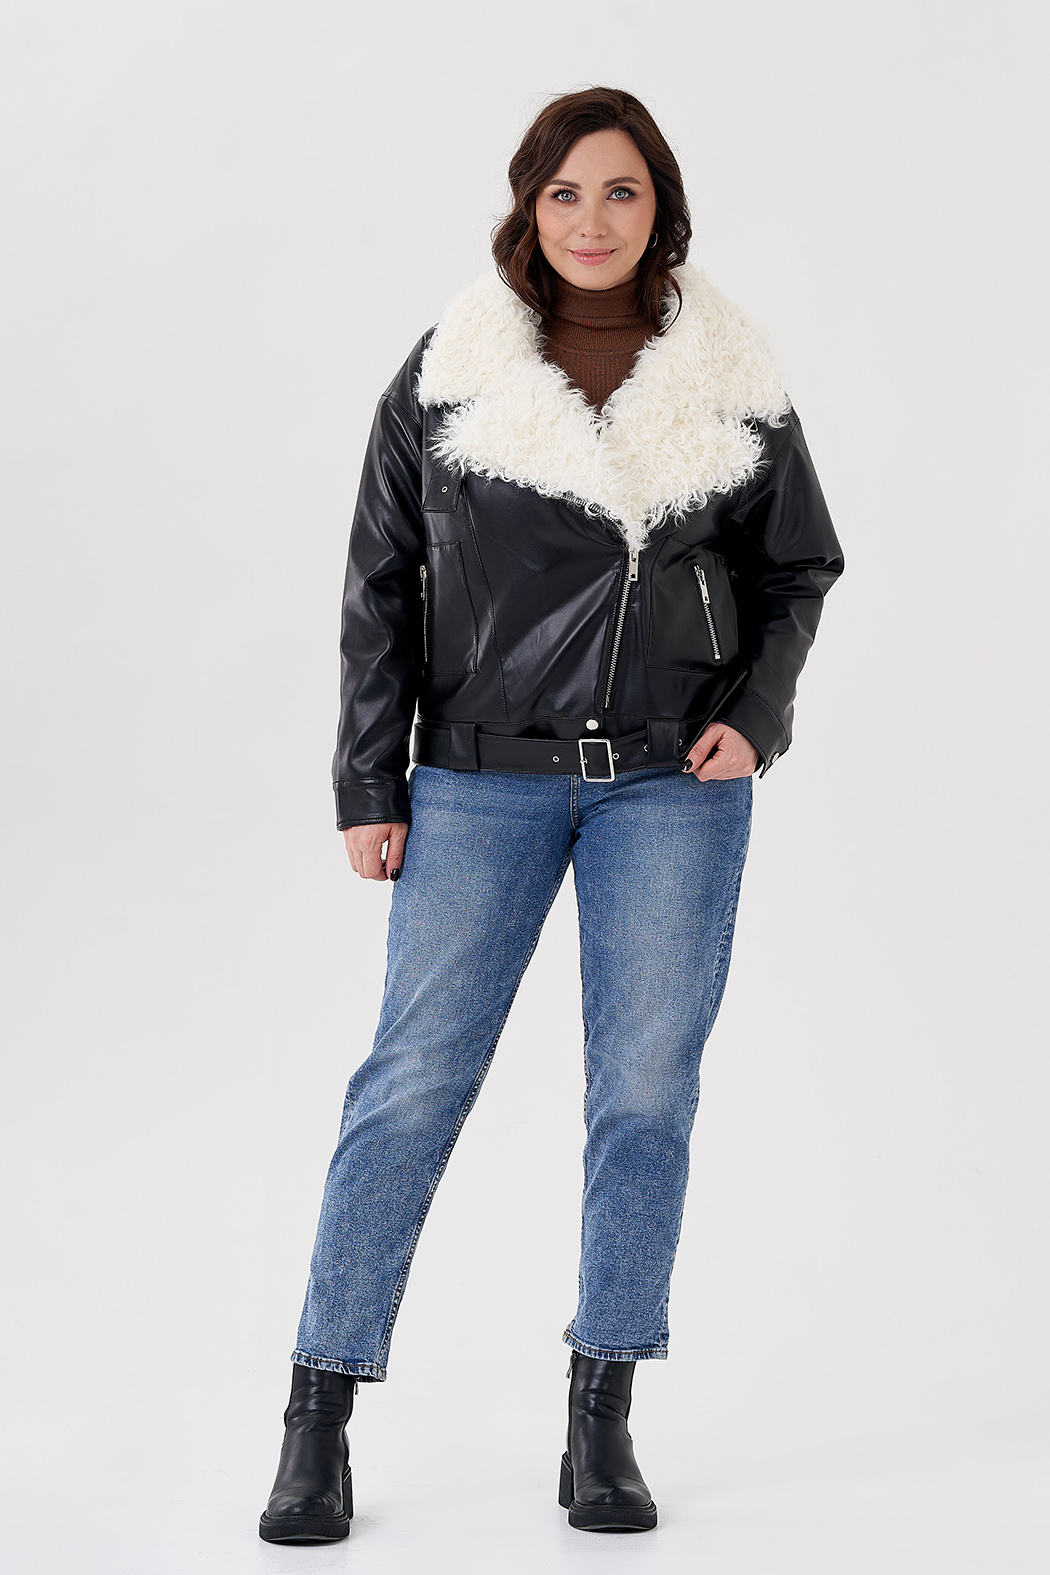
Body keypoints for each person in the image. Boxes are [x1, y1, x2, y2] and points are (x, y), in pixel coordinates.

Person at [259, 85, 844, 1544]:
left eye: (621, 191)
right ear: (527, 206)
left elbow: (799, 566)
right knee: (409, 1089)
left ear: (662, 209)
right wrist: (369, 779)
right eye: (565, 192)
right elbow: (378, 585)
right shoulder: (450, 371)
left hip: (671, 787)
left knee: (644, 1097)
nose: (592, 220)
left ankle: (602, 1416)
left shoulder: (727, 372)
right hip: (476, 779)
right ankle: (318, 1414)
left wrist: (756, 716)